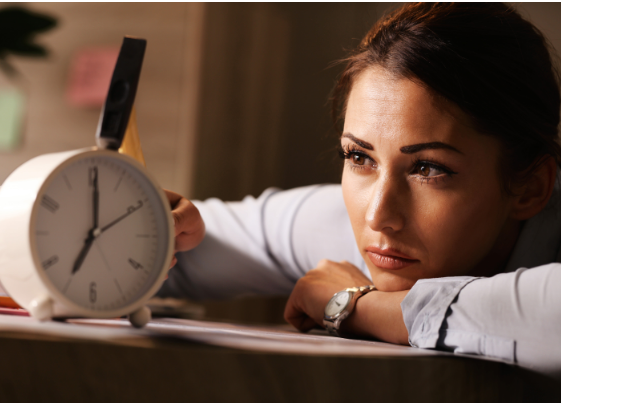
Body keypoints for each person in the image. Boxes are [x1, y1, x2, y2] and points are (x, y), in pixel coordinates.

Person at [158, 2, 561, 380]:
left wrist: (355, 306)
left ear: (530, 188)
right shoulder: (345, 225)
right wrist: (142, 221)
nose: (377, 216)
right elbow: (150, 255)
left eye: (428, 169)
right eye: (360, 157)